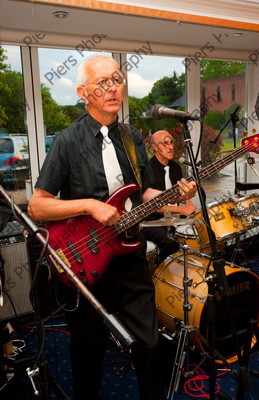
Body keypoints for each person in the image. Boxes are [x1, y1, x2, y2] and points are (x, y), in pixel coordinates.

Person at [28, 54, 197, 400]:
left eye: (117, 79)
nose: (112, 88)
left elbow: (145, 190)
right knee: (88, 353)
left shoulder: (132, 135)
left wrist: (178, 196)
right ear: (83, 93)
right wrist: (90, 205)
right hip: (87, 262)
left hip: (130, 257)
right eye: (102, 82)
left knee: (149, 344)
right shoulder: (67, 141)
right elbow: (37, 204)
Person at [143, 130, 197, 264]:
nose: (171, 147)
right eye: (165, 143)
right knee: (170, 244)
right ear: (154, 147)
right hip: (151, 221)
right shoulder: (146, 170)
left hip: (172, 217)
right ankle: (160, 271)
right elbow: (152, 206)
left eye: (171, 142)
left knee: (203, 231)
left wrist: (188, 202)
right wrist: (182, 210)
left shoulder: (175, 167)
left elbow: (181, 190)